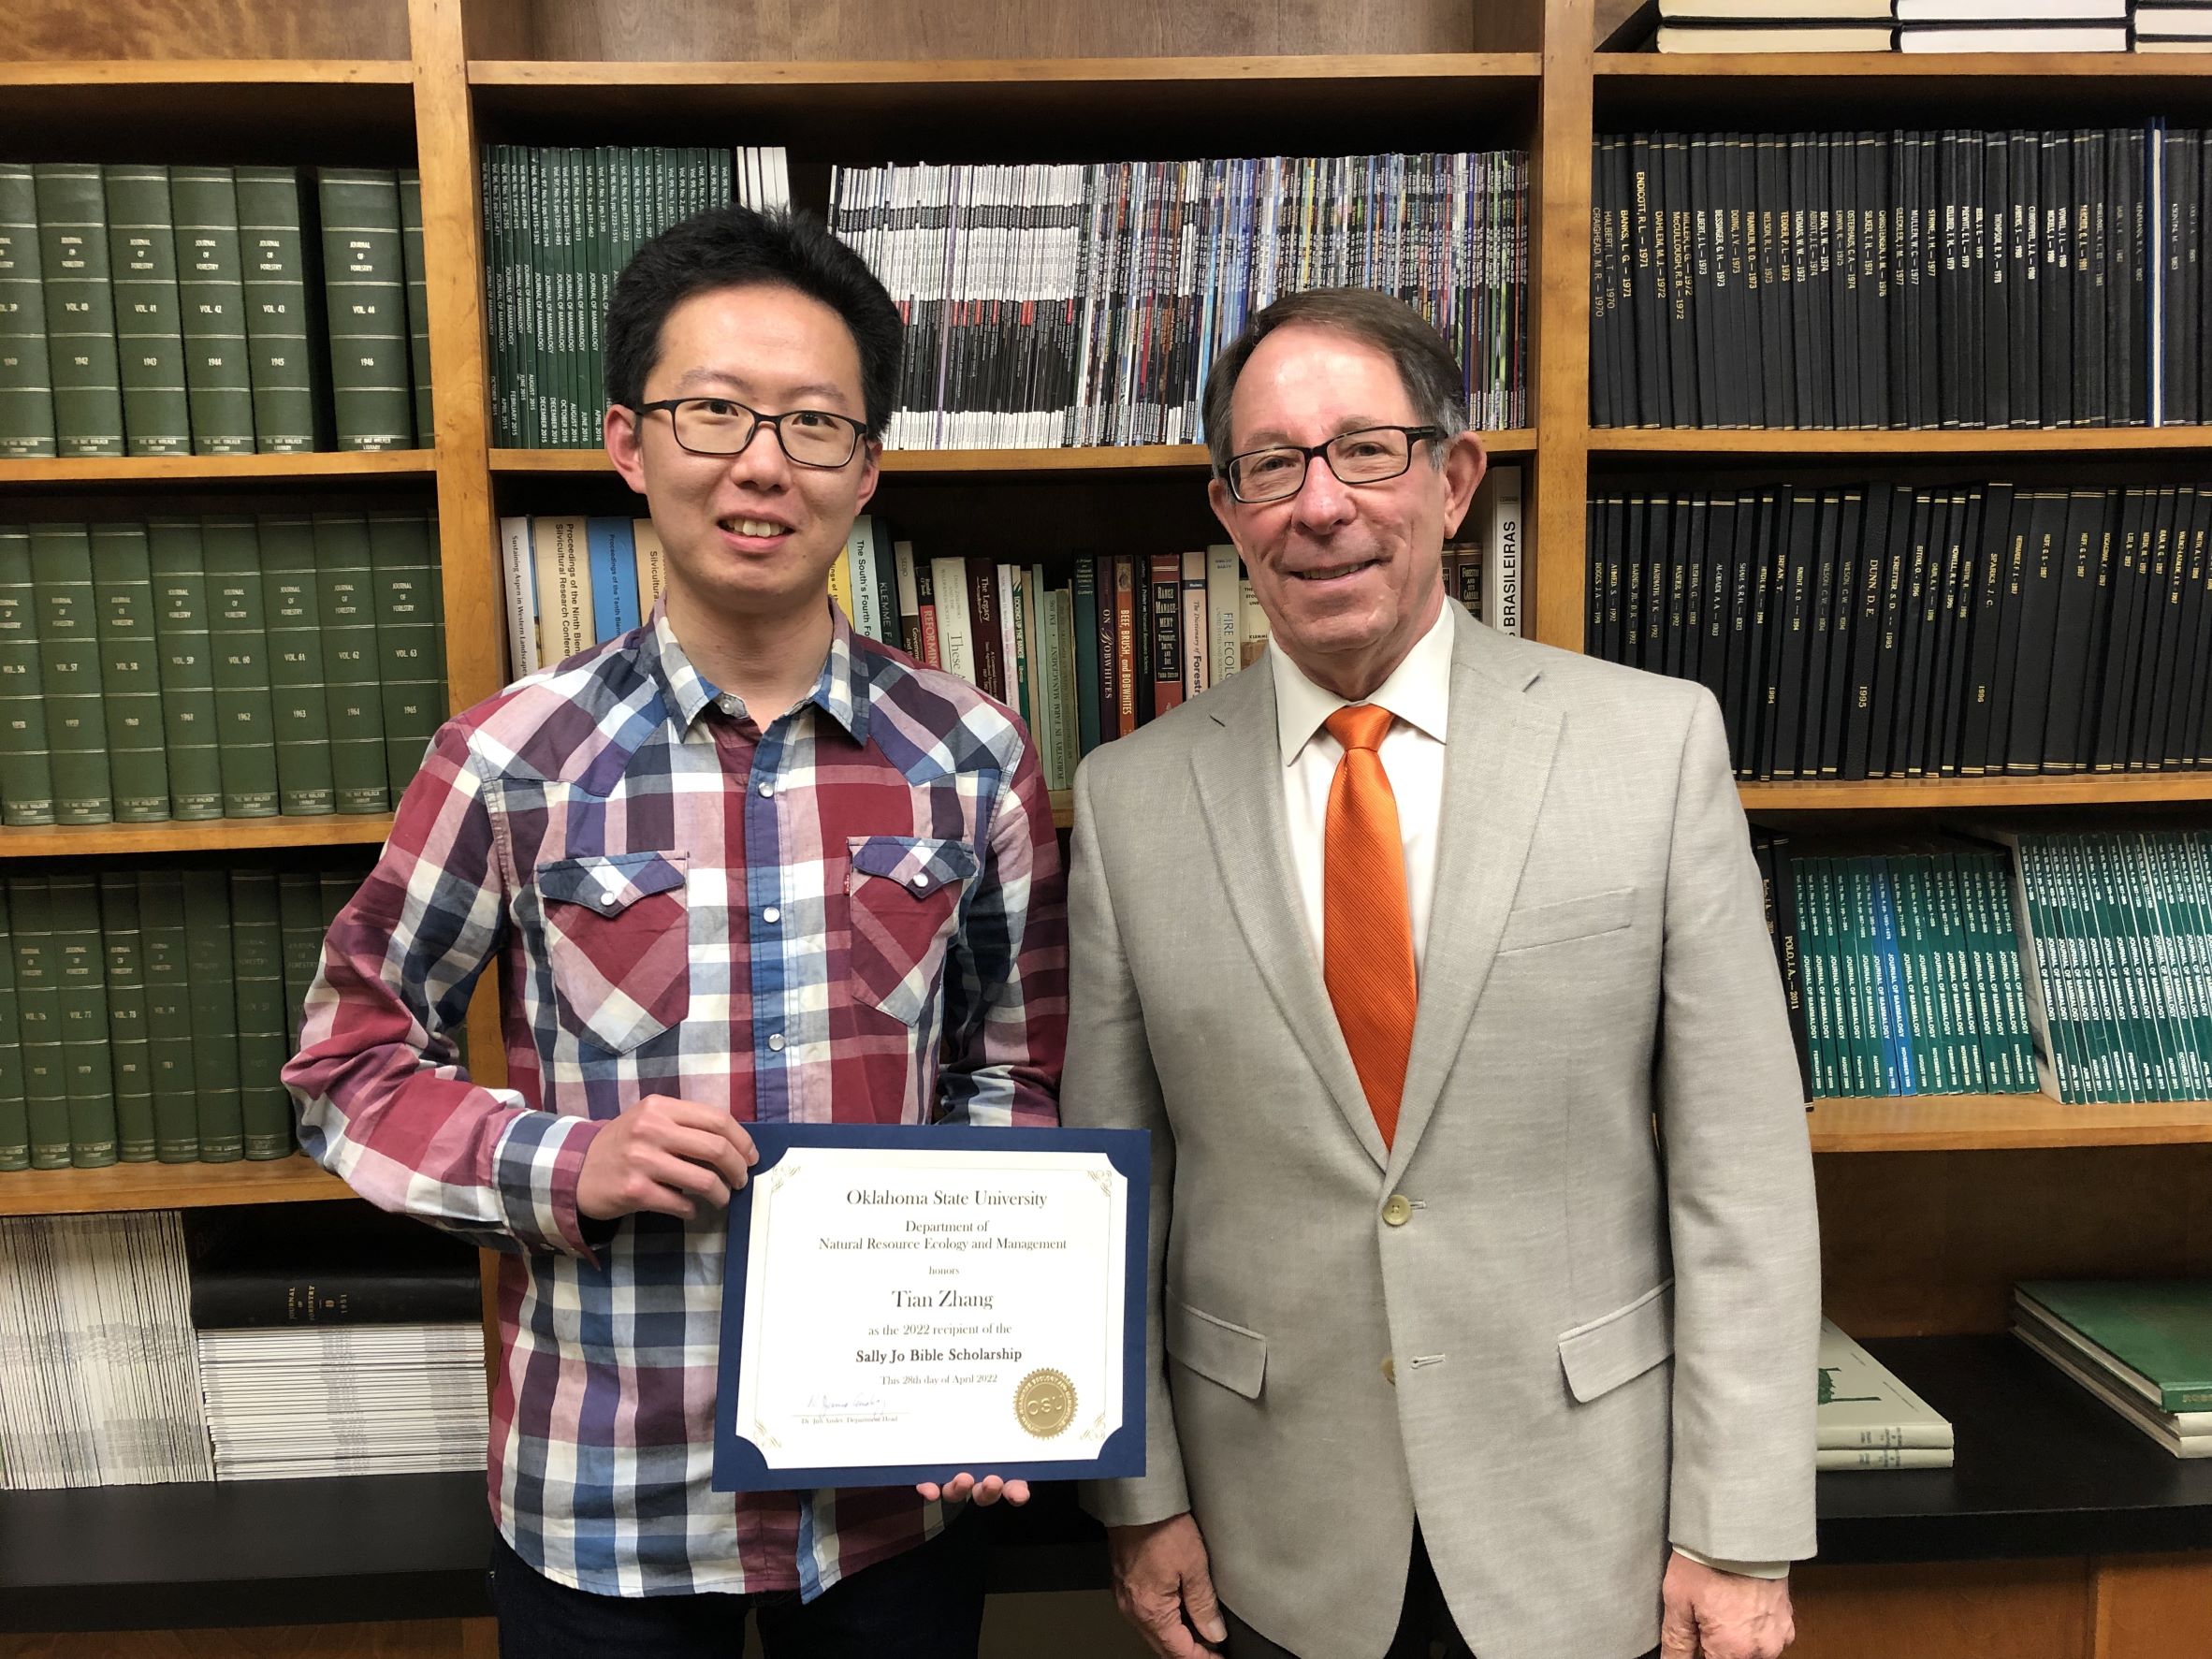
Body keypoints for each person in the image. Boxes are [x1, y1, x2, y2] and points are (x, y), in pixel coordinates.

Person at [283, 207, 1067, 1658]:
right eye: (714, 411)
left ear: (868, 469)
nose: (762, 460)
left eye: (816, 424)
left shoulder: (970, 755)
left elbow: (1008, 1082)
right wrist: (571, 1159)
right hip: (605, 1506)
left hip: (891, 1503)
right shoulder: (509, 758)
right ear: (630, 442)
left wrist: (996, 1356)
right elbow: (347, 1063)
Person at [1060, 286, 1819, 1659]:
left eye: (1365, 449)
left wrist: (1740, 1524)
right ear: (1228, 510)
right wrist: (1139, 1495)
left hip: (1589, 1523)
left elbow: (1743, 1176)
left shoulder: (1651, 750)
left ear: (1454, 478)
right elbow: (1120, 1184)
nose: (1321, 504)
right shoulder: (1128, 801)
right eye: (1272, 464)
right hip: (1264, 1533)